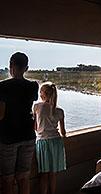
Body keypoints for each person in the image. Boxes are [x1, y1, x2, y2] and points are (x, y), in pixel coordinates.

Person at [0, 52, 39, 194]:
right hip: (28, 136)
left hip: (8, 137)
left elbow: (1, 114)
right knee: (23, 178)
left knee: (7, 179)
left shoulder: (2, 87)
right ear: (26, 68)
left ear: (11, 66)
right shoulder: (33, 86)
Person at [33, 82, 66, 194]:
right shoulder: (60, 111)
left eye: (40, 92)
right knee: (53, 174)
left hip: (43, 142)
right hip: (56, 142)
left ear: (43, 94)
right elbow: (63, 132)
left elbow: (36, 128)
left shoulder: (37, 106)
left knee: (44, 175)